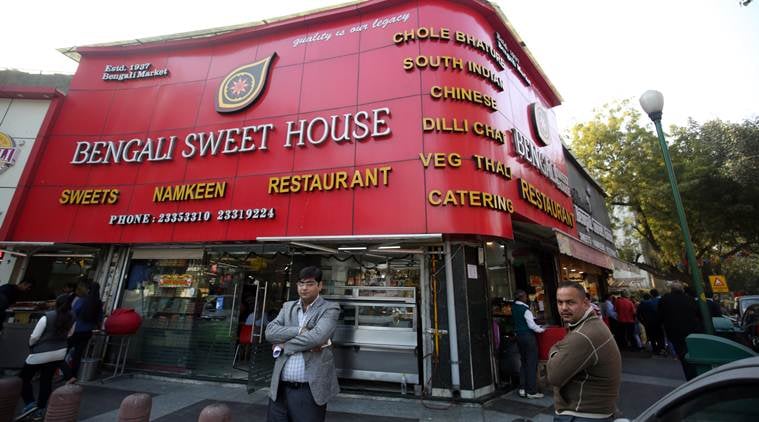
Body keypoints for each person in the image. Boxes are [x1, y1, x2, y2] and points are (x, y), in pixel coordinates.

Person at [265, 266, 340, 422]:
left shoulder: (330, 308)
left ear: (320, 285)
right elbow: (270, 332)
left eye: (310, 283)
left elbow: (317, 338)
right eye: (301, 284)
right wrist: (299, 330)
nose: (304, 288)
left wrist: (284, 345)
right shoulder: (287, 307)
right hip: (280, 388)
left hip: (309, 389)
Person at [545, 281, 621, 422]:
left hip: (582, 414)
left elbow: (553, 376)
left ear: (585, 303)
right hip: (594, 412)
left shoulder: (582, 336)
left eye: (570, 302)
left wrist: (555, 349)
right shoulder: (590, 325)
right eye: (560, 302)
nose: (564, 308)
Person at [18, 294, 76, 420]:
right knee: (46, 380)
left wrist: (31, 345)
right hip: (59, 353)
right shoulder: (72, 317)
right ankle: (41, 408)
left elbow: (35, 336)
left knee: (23, 378)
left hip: (40, 353)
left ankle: (30, 403)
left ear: (56, 303)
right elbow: (70, 334)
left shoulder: (47, 317)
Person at [658, 282, 702, 380]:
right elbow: (698, 314)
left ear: (671, 290)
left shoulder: (664, 300)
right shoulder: (690, 299)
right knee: (693, 354)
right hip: (692, 331)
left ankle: (690, 377)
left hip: (674, 332)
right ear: (682, 289)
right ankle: (697, 376)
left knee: (683, 356)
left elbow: (660, 316)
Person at [512, 290, 545, 398]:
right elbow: (531, 325)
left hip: (519, 337)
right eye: (526, 296)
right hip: (528, 337)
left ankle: (522, 388)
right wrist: (541, 330)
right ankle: (531, 391)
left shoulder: (514, 307)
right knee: (531, 363)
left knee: (524, 362)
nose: (527, 298)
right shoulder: (525, 309)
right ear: (522, 297)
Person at [67, 280, 103, 377]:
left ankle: (65, 373)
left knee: (64, 351)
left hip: (75, 330)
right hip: (88, 332)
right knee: (78, 354)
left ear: (88, 290)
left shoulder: (81, 300)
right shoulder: (98, 303)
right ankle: (73, 375)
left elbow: (73, 313)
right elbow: (100, 318)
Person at [637, 290, 665, 355]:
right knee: (660, 336)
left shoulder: (643, 303)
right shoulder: (660, 301)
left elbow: (638, 314)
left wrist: (643, 322)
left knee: (652, 337)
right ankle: (662, 348)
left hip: (648, 324)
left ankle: (655, 349)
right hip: (658, 323)